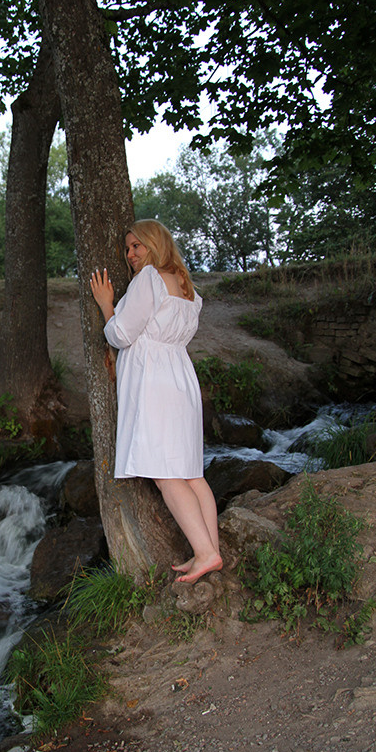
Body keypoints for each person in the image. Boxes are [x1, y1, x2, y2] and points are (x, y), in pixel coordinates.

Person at [89, 219, 222, 585]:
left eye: (137, 246)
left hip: (154, 383)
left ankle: (206, 553)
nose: (131, 254)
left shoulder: (148, 279)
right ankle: (209, 548)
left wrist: (106, 304)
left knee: (167, 475)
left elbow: (121, 334)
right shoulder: (188, 288)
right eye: (128, 248)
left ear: (155, 244)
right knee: (192, 472)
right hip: (180, 377)